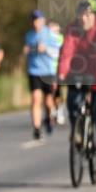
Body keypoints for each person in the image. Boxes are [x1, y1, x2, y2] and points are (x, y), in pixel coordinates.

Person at [57, 0, 96, 175]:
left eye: (87, 15)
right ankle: (77, 130)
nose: (83, 19)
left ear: (95, 16)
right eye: (80, 15)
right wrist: (61, 74)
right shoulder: (72, 29)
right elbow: (67, 52)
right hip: (79, 73)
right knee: (72, 103)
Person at [23, 10, 60, 140]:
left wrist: (46, 49)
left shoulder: (50, 34)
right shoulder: (29, 35)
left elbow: (56, 53)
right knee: (35, 98)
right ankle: (37, 128)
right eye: (33, 20)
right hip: (34, 71)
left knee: (49, 102)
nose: (35, 23)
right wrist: (27, 51)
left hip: (48, 72)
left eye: (38, 20)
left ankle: (49, 118)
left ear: (43, 21)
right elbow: (27, 50)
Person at [48, 20, 67, 125]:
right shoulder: (46, 39)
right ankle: (52, 111)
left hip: (58, 69)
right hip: (47, 69)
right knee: (49, 92)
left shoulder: (61, 39)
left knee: (57, 91)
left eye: (54, 28)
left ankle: (59, 111)